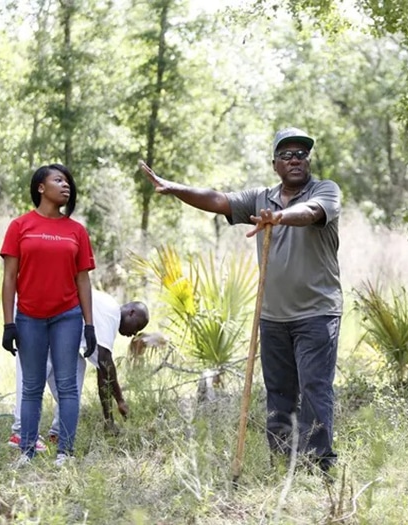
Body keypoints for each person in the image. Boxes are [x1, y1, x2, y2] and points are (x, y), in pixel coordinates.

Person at [139, 127, 342, 472]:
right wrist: (174, 189)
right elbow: (218, 200)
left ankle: (317, 464)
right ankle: (282, 461)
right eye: (287, 155)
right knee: (278, 391)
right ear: (275, 163)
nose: (296, 160)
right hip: (273, 315)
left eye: (302, 154)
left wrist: (279, 217)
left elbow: (311, 213)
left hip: (317, 313)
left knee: (315, 389)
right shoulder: (260, 197)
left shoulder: (325, 190)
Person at [1, 163, 97, 467]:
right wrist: (8, 322)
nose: (66, 185)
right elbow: (9, 277)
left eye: (68, 181)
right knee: (31, 386)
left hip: (67, 316)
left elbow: (83, 279)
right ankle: (27, 452)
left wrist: (90, 324)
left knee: (68, 385)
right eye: (58, 180)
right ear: (41, 187)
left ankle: (64, 453)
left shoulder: (76, 230)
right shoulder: (20, 226)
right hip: (29, 316)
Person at [8, 291, 149, 447]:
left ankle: (58, 433)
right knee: (32, 377)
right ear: (131, 312)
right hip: (38, 313)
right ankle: (21, 433)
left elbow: (103, 372)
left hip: (60, 329)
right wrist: (120, 400)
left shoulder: (108, 314)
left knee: (76, 367)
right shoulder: (111, 313)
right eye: (137, 326)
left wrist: (108, 420)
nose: (134, 333)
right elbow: (105, 361)